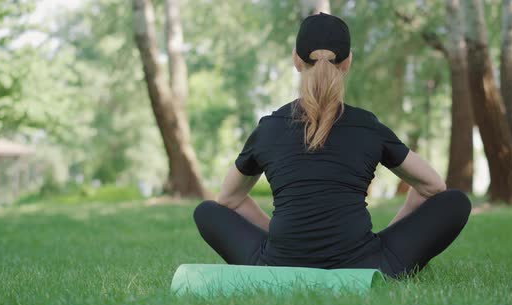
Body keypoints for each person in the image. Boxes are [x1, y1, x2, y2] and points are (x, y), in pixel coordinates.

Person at [193, 12, 471, 278]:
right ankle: (385, 261)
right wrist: (386, 243)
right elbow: (433, 186)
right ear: (348, 62)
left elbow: (229, 199)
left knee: (206, 212)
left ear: (296, 60)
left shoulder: (268, 128)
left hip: (278, 264)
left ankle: (281, 261)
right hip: (366, 264)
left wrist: (278, 238)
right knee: (455, 202)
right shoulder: (368, 126)